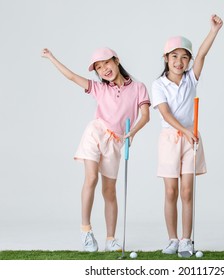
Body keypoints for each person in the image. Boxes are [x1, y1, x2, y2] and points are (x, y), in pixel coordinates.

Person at [41, 47, 150, 252]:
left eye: (106, 63)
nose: (104, 70)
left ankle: (111, 239)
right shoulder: (100, 89)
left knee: (109, 192)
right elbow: (72, 77)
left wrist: (132, 133)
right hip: (96, 133)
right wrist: (51, 57)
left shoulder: (138, 88)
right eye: (98, 68)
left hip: (116, 142)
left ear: (116, 60)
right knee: (91, 178)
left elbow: (145, 115)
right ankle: (86, 230)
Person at [151, 14, 223, 257]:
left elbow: (202, 54)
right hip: (171, 139)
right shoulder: (158, 84)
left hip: (190, 141)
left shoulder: (191, 78)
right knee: (170, 191)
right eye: (174, 56)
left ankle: (186, 240)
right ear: (166, 58)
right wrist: (184, 131)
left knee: (187, 192)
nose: (179, 62)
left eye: (184, 57)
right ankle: (172, 239)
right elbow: (166, 113)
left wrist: (214, 30)